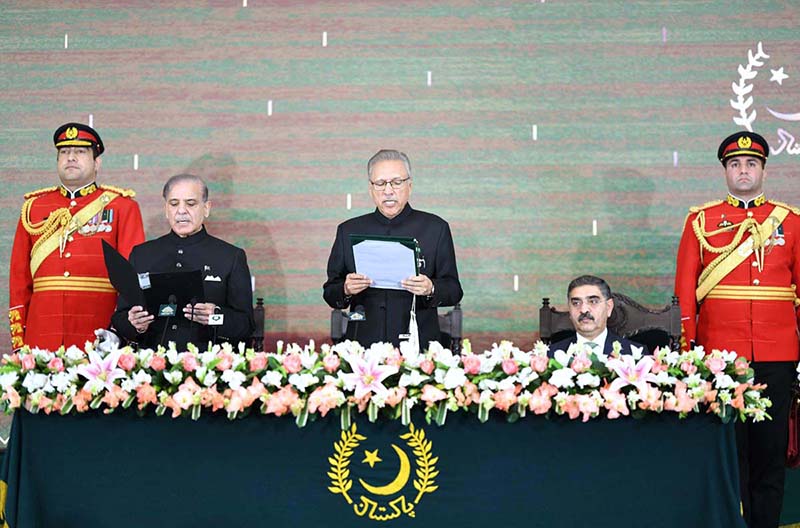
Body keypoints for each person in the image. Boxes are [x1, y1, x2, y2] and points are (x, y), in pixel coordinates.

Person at [674, 131, 800, 528]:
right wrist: (690, 350)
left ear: (763, 169)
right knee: (731, 454)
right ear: (725, 172)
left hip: (778, 355)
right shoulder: (701, 220)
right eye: (734, 165)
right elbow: (684, 291)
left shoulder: (791, 222)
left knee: (770, 453)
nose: (743, 171)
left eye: (750, 164)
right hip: (720, 358)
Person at [8, 122, 145, 351]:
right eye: (64, 152)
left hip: (99, 332)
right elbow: (19, 280)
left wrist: (121, 333)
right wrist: (20, 341)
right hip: (41, 335)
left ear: (96, 162)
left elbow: (132, 278)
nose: (70, 157)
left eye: (80, 152)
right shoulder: (33, 208)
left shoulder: (122, 207)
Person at [323, 149, 463, 348]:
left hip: (419, 346)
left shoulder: (435, 228)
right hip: (362, 346)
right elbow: (330, 292)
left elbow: (454, 290)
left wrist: (430, 287)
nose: (388, 190)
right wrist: (345, 288)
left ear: (410, 186)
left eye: (397, 182)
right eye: (380, 183)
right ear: (371, 189)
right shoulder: (348, 230)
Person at [111, 174, 254, 350]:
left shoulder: (230, 257)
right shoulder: (142, 255)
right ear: (166, 209)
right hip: (151, 364)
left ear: (206, 208)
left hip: (207, 366)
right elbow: (120, 319)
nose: (181, 211)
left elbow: (246, 325)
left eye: (191, 203)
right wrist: (136, 324)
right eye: (174, 203)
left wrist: (215, 316)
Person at [548, 275, 645, 356]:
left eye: (593, 301)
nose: (584, 310)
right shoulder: (551, 355)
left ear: (608, 307)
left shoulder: (635, 353)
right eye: (576, 303)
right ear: (569, 309)